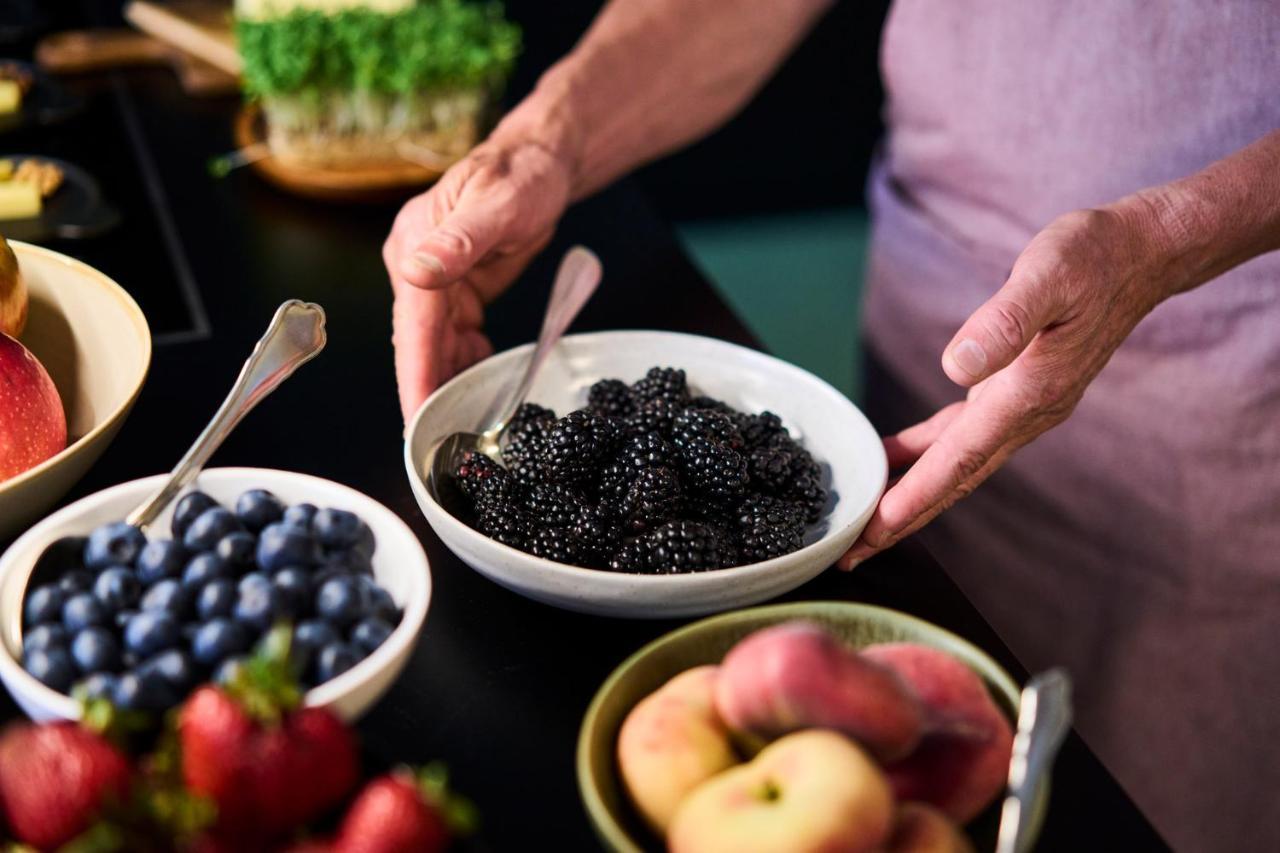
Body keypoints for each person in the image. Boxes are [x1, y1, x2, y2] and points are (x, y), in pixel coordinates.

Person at [383, 2, 1280, 848]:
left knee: (1136, 805)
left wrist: (1167, 233)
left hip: (1222, 396)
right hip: (934, 319)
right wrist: (547, 140)